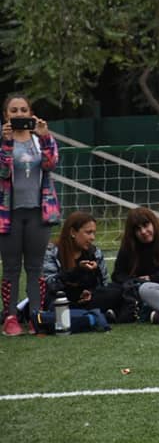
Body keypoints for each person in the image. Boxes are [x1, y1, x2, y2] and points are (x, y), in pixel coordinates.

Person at [0, 94, 61, 336]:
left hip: (39, 212)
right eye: (13, 110)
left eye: (23, 109)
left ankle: (36, 315)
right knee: (12, 268)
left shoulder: (40, 140)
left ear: (30, 113)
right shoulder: (2, 139)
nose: (19, 114)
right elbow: (3, 171)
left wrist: (45, 136)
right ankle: (11, 318)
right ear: (6, 115)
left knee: (36, 268)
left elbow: (51, 163)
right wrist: (6, 142)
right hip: (8, 213)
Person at [42, 212, 122, 318]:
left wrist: (90, 292)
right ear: (73, 232)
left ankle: (85, 315)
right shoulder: (51, 251)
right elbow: (51, 285)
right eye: (88, 233)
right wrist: (77, 271)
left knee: (118, 290)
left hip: (86, 301)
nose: (93, 237)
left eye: (94, 233)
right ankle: (95, 314)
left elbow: (104, 284)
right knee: (55, 304)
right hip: (63, 299)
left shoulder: (95, 253)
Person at [113, 207, 159, 285]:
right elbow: (118, 274)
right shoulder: (129, 244)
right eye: (138, 229)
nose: (143, 232)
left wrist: (151, 278)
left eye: (146, 225)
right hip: (136, 286)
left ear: (153, 223)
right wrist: (134, 281)